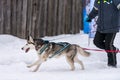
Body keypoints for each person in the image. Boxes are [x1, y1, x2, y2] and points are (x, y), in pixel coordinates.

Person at [86, 0, 120, 67]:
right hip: (101, 26)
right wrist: (90, 17)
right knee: (97, 42)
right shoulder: (98, 1)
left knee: (108, 45)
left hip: (112, 26)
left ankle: (112, 64)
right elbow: (95, 10)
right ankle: (114, 50)